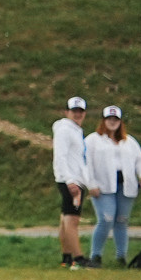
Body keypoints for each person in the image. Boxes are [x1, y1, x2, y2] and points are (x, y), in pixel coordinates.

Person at [84, 105, 141, 268]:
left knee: (122, 221)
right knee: (106, 219)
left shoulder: (129, 142)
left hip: (125, 186)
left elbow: (140, 160)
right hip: (103, 186)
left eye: (115, 119)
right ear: (103, 121)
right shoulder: (93, 140)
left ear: (120, 122)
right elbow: (86, 164)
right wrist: (91, 184)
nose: (112, 122)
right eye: (109, 119)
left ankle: (121, 256)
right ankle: (96, 255)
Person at [53, 96, 91, 269]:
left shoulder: (75, 130)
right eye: (74, 111)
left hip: (74, 179)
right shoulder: (65, 129)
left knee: (65, 218)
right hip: (71, 180)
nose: (77, 114)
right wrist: (70, 181)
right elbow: (60, 156)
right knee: (72, 219)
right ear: (67, 112)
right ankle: (79, 258)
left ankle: (67, 257)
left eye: (80, 111)